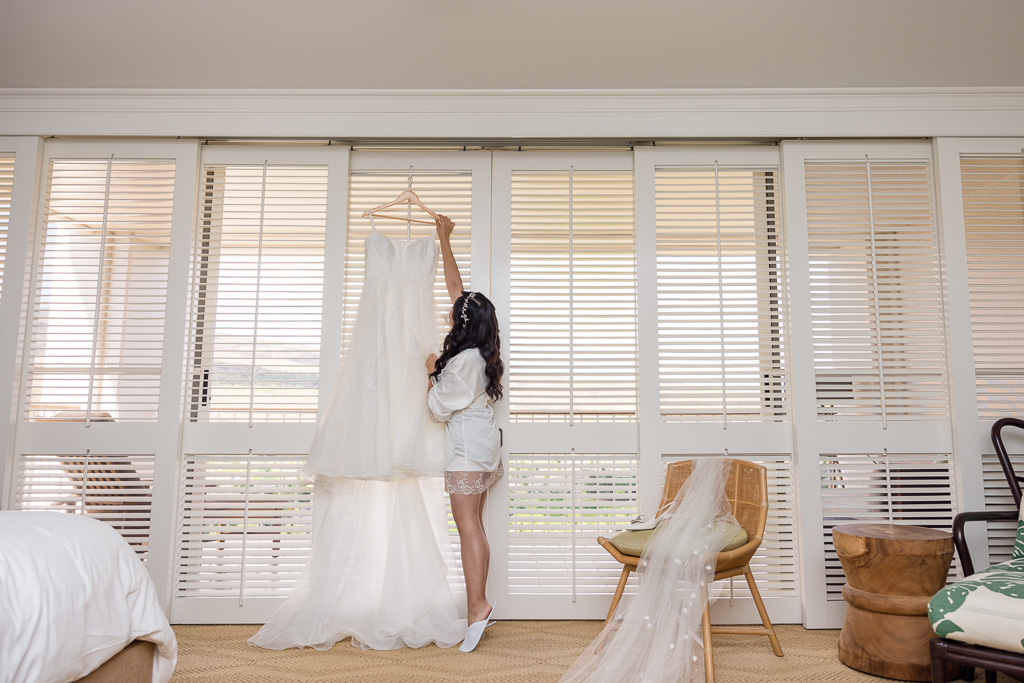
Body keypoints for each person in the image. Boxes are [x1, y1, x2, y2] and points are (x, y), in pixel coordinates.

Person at [425, 214, 504, 653]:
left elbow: (437, 408)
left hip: (467, 452)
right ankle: (479, 604)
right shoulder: (480, 350)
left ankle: (477, 606)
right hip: (484, 448)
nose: (449, 310)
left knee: (468, 529)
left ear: (463, 323)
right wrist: (444, 239)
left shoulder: (463, 362)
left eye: (454, 313)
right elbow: (459, 293)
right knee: (475, 527)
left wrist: (428, 372)